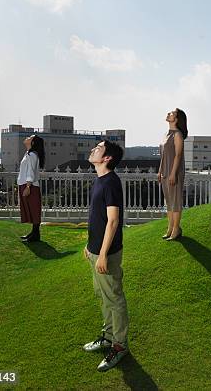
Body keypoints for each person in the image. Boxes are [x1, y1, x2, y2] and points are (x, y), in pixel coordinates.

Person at [82, 140, 129, 372]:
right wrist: (89, 246)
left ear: (107, 158)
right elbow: (97, 218)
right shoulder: (99, 179)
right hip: (95, 250)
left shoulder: (111, 182)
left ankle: (119, 346)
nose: (93, 149)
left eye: (98, 148)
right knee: (102, 296)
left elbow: (112, 221)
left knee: (114, 298)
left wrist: (101, 254)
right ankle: (109, 336)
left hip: (106, 254)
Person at [158, 108, 187, 240]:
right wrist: (160, 171)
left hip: (174, 172)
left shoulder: (178, 135)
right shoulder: (166, 134)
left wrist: (173, 173)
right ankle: (170, 227)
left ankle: (176, 229)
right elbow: (163, 156)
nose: (168, 114)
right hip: (165, 172)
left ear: (177, 119)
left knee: (175, 201)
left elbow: (178, 155)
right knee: (169, 201)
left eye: (172, 113)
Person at [18, 134, 45, 242]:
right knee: (31, 209)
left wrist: (28, 186)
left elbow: (30, 171)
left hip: (30, 185)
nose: (27, 138)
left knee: (34, 209)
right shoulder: (28, 154)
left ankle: (35, 234)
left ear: (32, 142)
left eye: (30, 137)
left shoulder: (32, 155)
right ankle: (34, 233)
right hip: (26, 184)